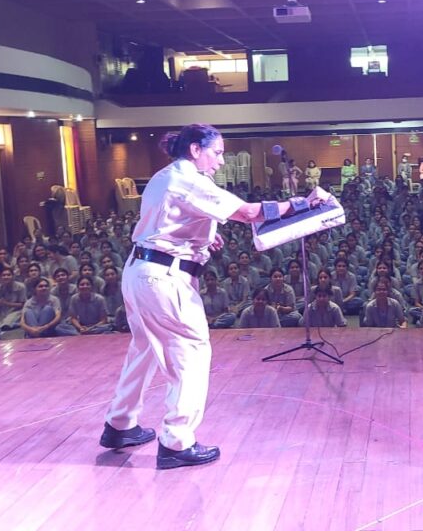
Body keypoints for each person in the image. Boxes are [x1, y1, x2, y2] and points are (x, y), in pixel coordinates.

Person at [101, 123, 327, 471]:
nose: (221, 161)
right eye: (217, 152)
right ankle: (176, 443)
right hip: (164, 278)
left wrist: (204, 237)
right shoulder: (190, 179)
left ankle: (120, 425)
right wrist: (301, 203)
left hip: (140, 271)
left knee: (144, 348)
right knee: (190, 352)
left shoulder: (164, 176)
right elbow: (248, 213)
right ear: (195, 149)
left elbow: (170, 223)